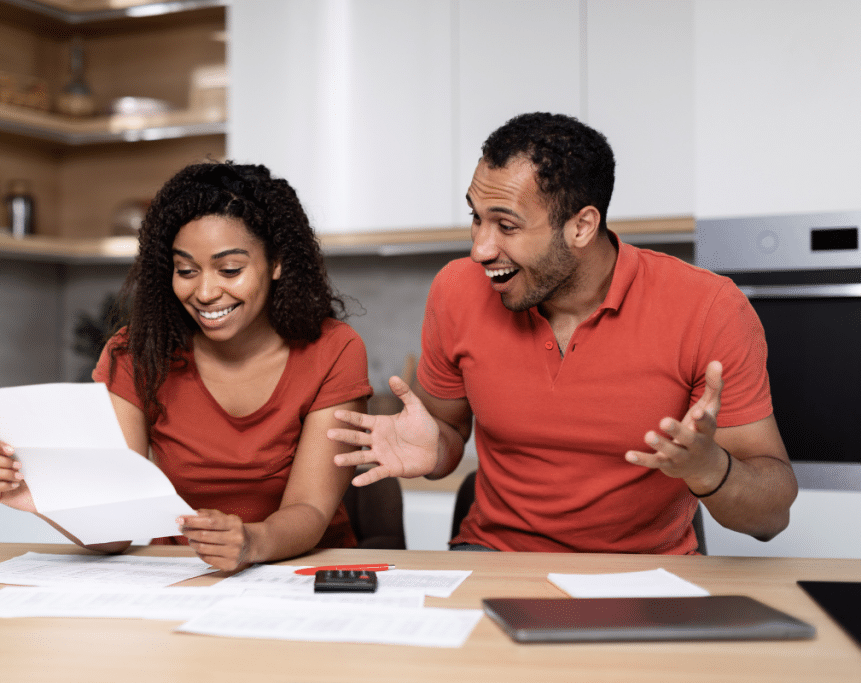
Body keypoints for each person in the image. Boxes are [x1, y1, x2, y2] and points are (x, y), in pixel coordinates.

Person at [329, 112, 798, 554]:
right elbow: (447, 432)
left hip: (643, 573)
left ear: (582, 227)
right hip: (493, 556)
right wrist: (433, 449)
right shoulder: (457, 291)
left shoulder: (708, 308)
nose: (480, 249)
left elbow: (771, 517)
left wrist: (710, 468)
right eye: (476, 217)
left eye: (506, 225)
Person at [0, 161, 373, 569]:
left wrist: (250, 542)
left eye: (230, 270)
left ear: (276, 263)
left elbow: (309, 509)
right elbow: (114, 530)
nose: (204, 292)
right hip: (179, 573)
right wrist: (43, 494)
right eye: (186, 270)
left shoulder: (334, 350)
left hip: (303, 571)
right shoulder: (137, 352)